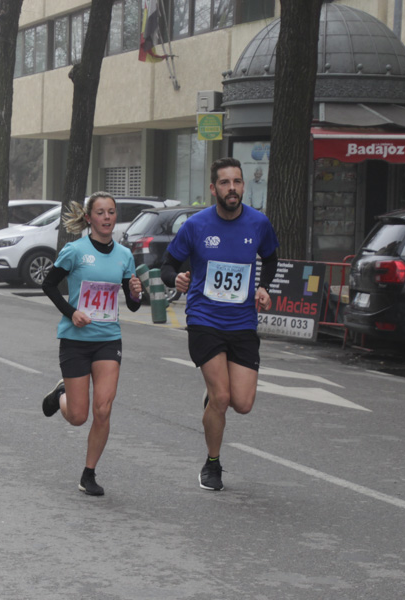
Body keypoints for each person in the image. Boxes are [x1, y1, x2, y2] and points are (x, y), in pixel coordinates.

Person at [160, 157, 279, 492]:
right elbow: (168, 264)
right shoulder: (196, 225)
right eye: (225, 183)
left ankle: (213, 396)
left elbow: (270, 257)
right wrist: (177, 278)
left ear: (244, 186)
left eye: (237, 182)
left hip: (242, 322)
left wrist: (264, 287)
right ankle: (213, 463)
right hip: (204, 320)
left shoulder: (258, 223)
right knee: (223, 398)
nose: (232, 189)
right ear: (213, 189)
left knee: (242, 403)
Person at [40, 192, 143, 496]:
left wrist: (136, 293)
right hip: (75, 340)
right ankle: (60, 395)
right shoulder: (75, 251)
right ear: (89, 218)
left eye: (111, 212)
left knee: (103, 409)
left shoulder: (125, 256)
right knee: (77, 417)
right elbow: (48, 284)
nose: (107, 217)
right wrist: (72, 313)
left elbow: (135, 305)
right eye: (101, 212)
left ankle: (89, 473)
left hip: (108, 340)